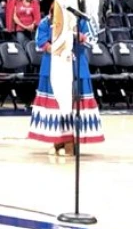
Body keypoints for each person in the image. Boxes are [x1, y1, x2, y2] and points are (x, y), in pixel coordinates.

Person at [27, 11, 104, 155]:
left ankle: (72, 141)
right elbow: (41, 42)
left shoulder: (82, 20)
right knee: (55, 105)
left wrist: (77, 35)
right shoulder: (46, 22)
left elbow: (92, 39)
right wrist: (59, 48)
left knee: (75, 106)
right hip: (53, 66)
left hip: (76, 66)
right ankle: (57, 141)